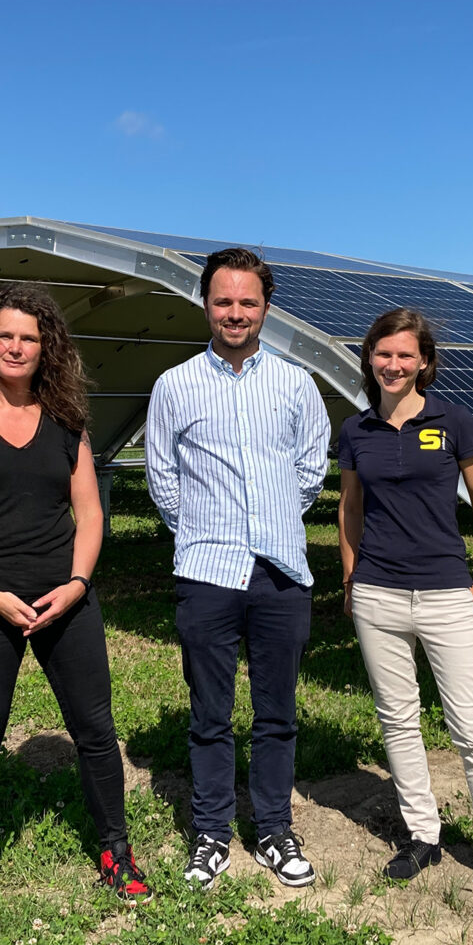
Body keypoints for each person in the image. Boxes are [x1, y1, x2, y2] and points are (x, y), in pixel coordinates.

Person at [0, 282, 150, 934]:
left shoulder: (66, 422)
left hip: (66, 600)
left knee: (96, 732)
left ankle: (115, 851)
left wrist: (78, 583)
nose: (17, 346)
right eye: (6, 336)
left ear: (43, 345)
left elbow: (89, 513)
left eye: (29, 336)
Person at [337, 308, 473, 909]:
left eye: (406, 355)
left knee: (472, 725)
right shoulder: (355, 431)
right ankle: (422, 835)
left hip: (445, 592)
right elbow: (349, 508)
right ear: (370, 358)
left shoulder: (453, 421)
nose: (394, 365)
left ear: (425, 362)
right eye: (383, 354)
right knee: (398, 719)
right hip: (379, 593)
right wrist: (352, 579)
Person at [145, 247, 330, 889]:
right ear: (206, 305)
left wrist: (273, 520)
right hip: (207, 573)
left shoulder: (296, 384)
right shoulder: (174, 386)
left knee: (278, 712)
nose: (235, 312)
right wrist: (202, 531)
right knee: (210, 715)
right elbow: (162, 478)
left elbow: (311, 468)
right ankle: (212, 832)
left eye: (248, 301)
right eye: (223, 300)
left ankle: (275, 830)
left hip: (281, 574)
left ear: (266, 308)